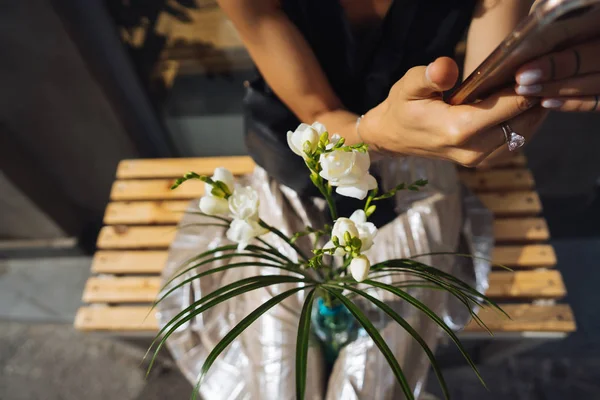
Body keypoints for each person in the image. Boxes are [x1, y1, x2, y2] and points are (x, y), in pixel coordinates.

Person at [158, 1, 600, 399]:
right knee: (279, 386)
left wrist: (508, 113)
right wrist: (374, 134)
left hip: (417, 165)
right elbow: (316, 113)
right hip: (295, 160)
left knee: (372, 384)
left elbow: (487, 99)